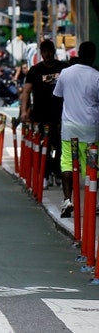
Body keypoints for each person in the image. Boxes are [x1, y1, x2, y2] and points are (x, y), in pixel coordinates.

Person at [52, 41, 99, 220]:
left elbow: (57, 97)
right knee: (91, 167)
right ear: (93, 55)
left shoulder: (66, 73)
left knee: (66, 164)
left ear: (78, 53)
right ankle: (92, 202)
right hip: (91, 129)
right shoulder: (96, 76)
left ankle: (67, 200)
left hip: (69, 127)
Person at [19, 39, 66, 198]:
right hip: (40, 114)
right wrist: (24, 111)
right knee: (42, 147)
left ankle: (58, 173)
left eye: (49, 51)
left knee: (59, 147)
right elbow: (26, 92)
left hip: (60, 115)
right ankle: (45, 175)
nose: (47, 54)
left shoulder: (63, 68)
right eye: (44, 51)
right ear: (41, 53)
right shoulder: (35, 70)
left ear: (53, 52)